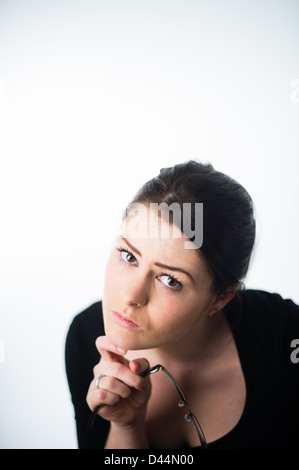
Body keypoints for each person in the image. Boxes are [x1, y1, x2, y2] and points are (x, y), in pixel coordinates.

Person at [65, 161, 299, 449]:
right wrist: (125, 425)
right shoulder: (85, 336)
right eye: (128, 256)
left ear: (220, 298)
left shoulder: (283, 335)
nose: (131, 296)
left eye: (169, 280)